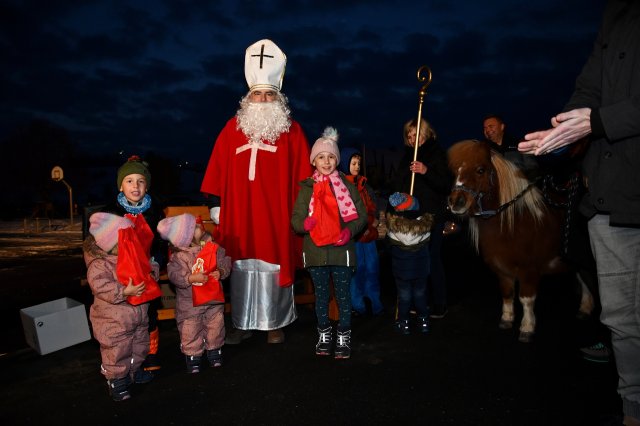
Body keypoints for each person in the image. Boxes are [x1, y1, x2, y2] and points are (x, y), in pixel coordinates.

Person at [518, 2, 640, 423]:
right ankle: (633, 409)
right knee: (622, 318)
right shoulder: (615, 14)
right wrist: (564, 129)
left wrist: (597, 121)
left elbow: (599, 115)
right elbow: (589, 88)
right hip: (609, 194)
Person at [201, 39, 312, 345]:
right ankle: (242, 321)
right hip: (240, 215)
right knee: (240, 265)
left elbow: (305, 176)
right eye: (257, 94)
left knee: (273, 263)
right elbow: (217, 168)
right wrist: (217, 204)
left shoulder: (292, 131)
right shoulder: (232, 128)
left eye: (268, 94)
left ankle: (274, 322)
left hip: (277, 215)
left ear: (279, 98)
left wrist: (302, 210)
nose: (263, 99)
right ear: (248, 98)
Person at [291, 127, 367, 359]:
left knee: (343, 296)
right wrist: (305, 224)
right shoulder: (306, 189)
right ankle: (324, 334)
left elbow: (362, 216)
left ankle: (343, 335)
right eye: (321, 157)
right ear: (314, 161)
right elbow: (295, 220)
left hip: (341, 251)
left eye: (331, 157)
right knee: (321, 297)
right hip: (315, 253)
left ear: (337, 160)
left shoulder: (348, 187)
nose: (326, 161)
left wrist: (349, 231)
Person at [90, 155, 167, 371]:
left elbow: (161, 242)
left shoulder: (154, 212)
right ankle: (122, 354)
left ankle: (149, 353)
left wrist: (157, 263)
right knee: (125, 317)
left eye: (141, 181)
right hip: (120, 270)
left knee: (148, 314)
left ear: (147, 186)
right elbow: (99, 245)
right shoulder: (110, 212)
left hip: (146, 268)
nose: (136, 185)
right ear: (121, 185)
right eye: (129, 180)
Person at [83, 213, 156, 401]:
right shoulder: (100, 265)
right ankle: (116, 380)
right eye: (126, 238)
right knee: (117, 351)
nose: (131, 241)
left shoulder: (131, 256)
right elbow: (100, 286)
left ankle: (133, 371)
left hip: (138, 316)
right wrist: (124, 291)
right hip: (113, 321)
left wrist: (152, 272)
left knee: (139, 346)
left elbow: (145, 269)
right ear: (111, 243)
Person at [391, 118, 453, 322]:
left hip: (432, 215)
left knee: (432, 258)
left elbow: (445, 184)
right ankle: (419, 302)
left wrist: (426, 171)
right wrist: (398, 197)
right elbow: (398, 182)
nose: (411, 139)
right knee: (415, 260)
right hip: (411, 217)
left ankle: (440, 303)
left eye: (415, 134)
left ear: (425, 133)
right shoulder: (407, 156)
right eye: (408, 136)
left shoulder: (436, 153)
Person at [158, 213, 231, 374]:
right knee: (190, 329)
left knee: (215, 325)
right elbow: (174, 275)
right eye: (195, 227)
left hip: (213, 300)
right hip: (190, 304)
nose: (200, 226)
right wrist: (190, 278)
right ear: (187, 237)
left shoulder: (211, 246)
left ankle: (214, 350)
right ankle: (193, 355)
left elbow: (225, 260)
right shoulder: (179, 257)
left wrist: (221, 271)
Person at [339, 147, 384, 316]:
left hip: (369, 235)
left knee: (372, 268)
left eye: (359, 163)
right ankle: (357, 304)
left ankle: (374, 301)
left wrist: (374, 218)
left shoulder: (364, 185)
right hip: (354, 237)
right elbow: (346, 213)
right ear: (345, 164)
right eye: (353, 163)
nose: (357, 166)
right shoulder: (342, 186)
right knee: (356, 270)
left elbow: (372, 206)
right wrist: (361, 225)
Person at [483, 114, 539, 180]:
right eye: (485, 128)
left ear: (502, 127)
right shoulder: (484, 150)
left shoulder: (520, 143)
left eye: (491, 126)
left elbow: (532, 167)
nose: (487, 130)